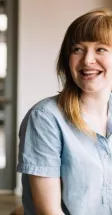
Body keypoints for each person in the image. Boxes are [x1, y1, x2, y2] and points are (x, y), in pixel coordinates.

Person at [17, 8, 112, 215]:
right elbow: (48, 211)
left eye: (101, 49)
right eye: (78, 49)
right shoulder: (45, 118)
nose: (87, 60)